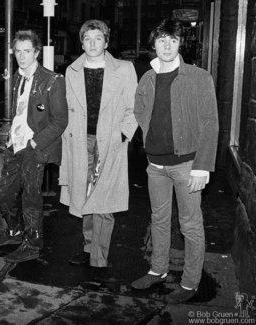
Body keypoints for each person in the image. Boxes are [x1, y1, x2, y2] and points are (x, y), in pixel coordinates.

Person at [131, 19, 219, 304]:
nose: (167, 46)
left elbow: (209, 123)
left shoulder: (198, 77)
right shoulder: (148, 77)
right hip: (155, 165)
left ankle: (191, 282)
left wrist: (202, 165)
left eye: (173, 40)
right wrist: (148, 138)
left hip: (187, 164)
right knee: (158, 219)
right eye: (161, 40)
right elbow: (140, 110)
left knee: (190, 225)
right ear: (153, 44)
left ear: (181, 44)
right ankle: (157, 269)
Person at [59, 20, 138, 282]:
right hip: (81, 141)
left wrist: (122, 135)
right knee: (84, 195)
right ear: (82, 43)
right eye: (88, 39)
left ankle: (98, 256)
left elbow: (134, 107)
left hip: (109, 141)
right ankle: (88, 246)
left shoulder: (124, 69)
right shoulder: (72, 71)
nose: (93, 43)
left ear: (106, 41)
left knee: (104, 198)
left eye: (98, 38)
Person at [0, 30, 68, 263]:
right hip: (15, 144)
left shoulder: (52, 80)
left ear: (37, 52)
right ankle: (13, 232)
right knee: (5, 192)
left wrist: (35, 142)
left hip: (33, 147)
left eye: (27, 51)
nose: (22, 56)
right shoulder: (17, 77)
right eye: (18, 52)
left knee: (31, 198)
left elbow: (60, 120)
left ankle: (33, 244)